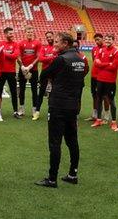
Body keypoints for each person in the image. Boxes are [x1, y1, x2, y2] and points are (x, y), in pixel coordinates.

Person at [35, 32, 87, 188]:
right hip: (73, 105)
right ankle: (73, 174)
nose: (54, 44)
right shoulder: (80, 59)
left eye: (57, 42)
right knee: (72, 140)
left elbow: (44, 74)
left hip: (58, 105)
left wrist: (54, 78)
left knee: (55, 142)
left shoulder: (61, 59)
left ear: (65, 43)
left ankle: (52, 179)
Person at [92, 34, 118, 129]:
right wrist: (108, 63)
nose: (108, 40)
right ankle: (98, 120)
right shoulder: (101, 50)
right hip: (100, 79)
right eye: (106, 39)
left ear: (113, 40)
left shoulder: (116, 52)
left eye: (110, 39)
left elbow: (114, 67)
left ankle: (114, 122)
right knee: (99, 99)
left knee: (111, 101)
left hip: (110, 81)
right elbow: (96, 63)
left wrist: (102, 64)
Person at [18, 26, 41, 118]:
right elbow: (18, 56)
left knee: (34, 90)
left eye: (31, 32)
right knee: (22, 89)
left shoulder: (37, 43)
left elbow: (38, 57)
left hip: (33, 70)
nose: (30, 33)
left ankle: (34, 109)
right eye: (28, 32)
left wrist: (31, 66)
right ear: (25, 33)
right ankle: (22, 108)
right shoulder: (21, 43)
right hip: (23, 69)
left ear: (33, 33)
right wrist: (22, 66)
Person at [35, 31, 56, 120]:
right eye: (47, 37)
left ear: (53, 36)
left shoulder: (57, 47)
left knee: (53, 93)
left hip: (55, 73)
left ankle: (50, 113)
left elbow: (58, 59)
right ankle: (37, 112)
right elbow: (40, 59)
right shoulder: (44, 48)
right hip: (45, 72)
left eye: (50, 36)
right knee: (41, 93)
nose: (49, 38)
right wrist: (51, 57)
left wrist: (47, 59)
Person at [0, 27, 20, 118]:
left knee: (13, 92)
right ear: (5, 34)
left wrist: (4, 54)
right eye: (10, 33)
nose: (12, 35)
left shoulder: (15, 44)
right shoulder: (1, 44)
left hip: (11, 72)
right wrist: (9, 55)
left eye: (12, 33)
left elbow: (15, 56)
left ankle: (15, 111)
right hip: (1, 72)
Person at [87, 33, 104, 121]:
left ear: (102, 39)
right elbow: (95, 61)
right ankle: (94, 114)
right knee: (94, 94)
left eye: (98, 39)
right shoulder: (94, 49)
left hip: (102, 76)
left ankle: (105, 115)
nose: (97, 41)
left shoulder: (105, 48)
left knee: (104, 96)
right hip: (94, 75)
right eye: (96, 40)